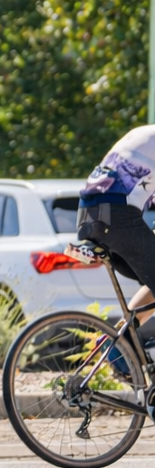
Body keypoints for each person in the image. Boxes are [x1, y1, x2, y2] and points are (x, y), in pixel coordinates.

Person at [78, 126, 155, 365]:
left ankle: (120, 343)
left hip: (89, 216)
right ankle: (125, 350)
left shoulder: (144, 134)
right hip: (116, 216)